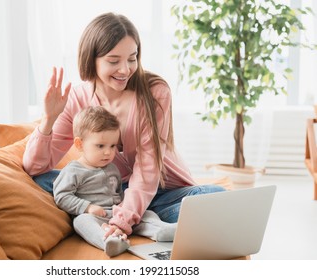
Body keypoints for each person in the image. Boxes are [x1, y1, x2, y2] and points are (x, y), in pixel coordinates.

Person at [23, 12, 225, 240]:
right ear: (92, 59)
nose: (125, 69)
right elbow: (34, 167)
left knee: (216, 196)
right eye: (113, 61)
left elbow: (147, 169)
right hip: (105, 190)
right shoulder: (77, 98)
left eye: (132, 58)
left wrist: (122, 220)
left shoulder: (155, 93)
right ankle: (141, 220)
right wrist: (48, 119)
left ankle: (124, 217)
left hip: (160, 189)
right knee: (42, 180)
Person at [53, 106, 175, 257]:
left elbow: (120, 195)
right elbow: (61, 197)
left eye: (113, 146)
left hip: (119, 214)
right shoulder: (72, 171)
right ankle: (110, 241)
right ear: (80, 144)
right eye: (100, 146)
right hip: (95, 216)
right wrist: (87, 207)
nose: (108, 152)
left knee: (146, 213)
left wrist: (124, 211)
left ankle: (162, 230)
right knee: (81, 222)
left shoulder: (112, 168)